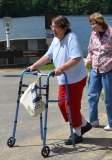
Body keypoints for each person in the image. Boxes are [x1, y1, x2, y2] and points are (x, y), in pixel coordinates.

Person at [28, 15, 91, 145]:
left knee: (71, 106)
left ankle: (77, 134)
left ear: (64, 27)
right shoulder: (56, 40)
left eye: (56, 27)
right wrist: (34, 65)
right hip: (64, 79)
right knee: (62, 105)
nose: (53, 30)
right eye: (52, 27)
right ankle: (84, 124)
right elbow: (48, 56)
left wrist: (61, 68)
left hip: (75, 78)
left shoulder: (71, 38)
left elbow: (77, 58)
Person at [85, 12, 112, 131]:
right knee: (92, 95)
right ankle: (93, 121)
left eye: (95, 23)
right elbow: (90, 51)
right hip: (95, 68)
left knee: (109, 97)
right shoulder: (93, 34)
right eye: (91, 24)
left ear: (101, 22)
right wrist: (87, 61)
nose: (93, 26)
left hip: (109, 68)